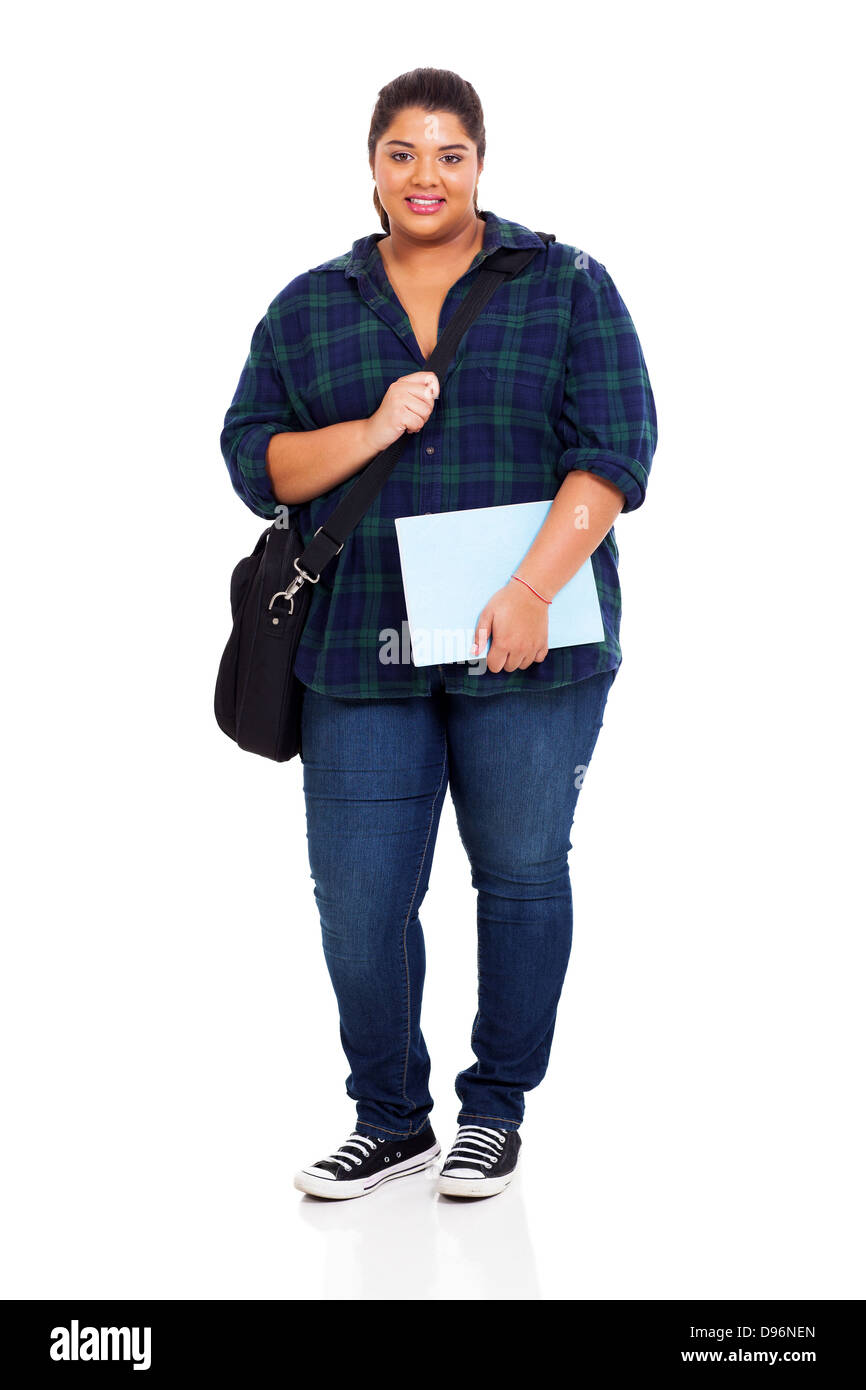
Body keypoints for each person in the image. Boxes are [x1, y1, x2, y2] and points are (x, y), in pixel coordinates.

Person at [220, 67, 658, 1201]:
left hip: (532, 647)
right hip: (359, 647)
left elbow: (612, 453)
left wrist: (528, 588)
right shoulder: (309, 306)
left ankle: (493, 1112)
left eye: (448, 153)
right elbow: (254, 462)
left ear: (479, 165)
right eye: (403, 153)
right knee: (359, 897)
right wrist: (369, 428)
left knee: (517, 876)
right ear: (371, 166)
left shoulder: (564, 284)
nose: (425, 175)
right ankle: (389, 1115)